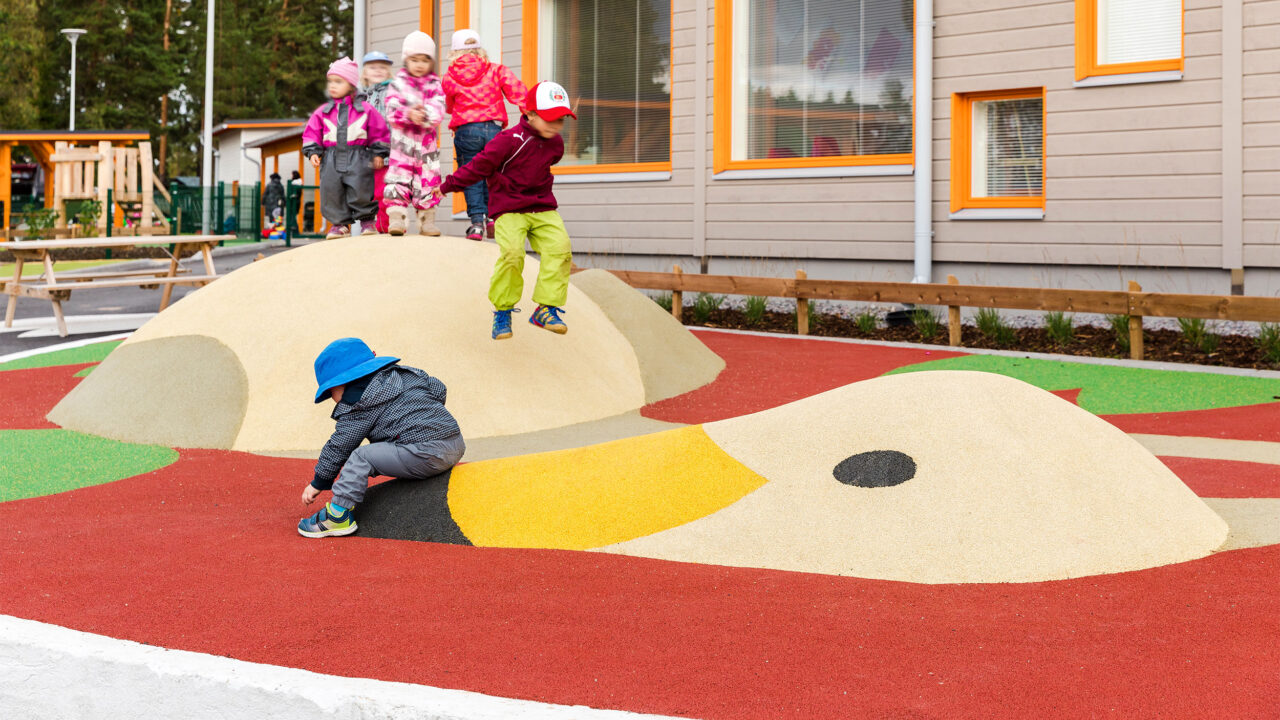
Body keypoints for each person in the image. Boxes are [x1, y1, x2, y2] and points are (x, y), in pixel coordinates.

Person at [435, 81, 576, 341]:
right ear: (530, 113)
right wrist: (447, 186)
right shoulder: (508, 140)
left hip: (542, 207)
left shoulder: (556, 144)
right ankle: (503, 310)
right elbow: (478, 167)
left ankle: (546, 308)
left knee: (561, 248)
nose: (556, 126)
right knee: (512, 254)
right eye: (550, 118)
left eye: (562, 120)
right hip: (509, 208)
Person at [299, 337, 466, 538]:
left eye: (330, 391)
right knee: (391, 446)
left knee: (362, 457)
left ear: (343, 382)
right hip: (456, 443)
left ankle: (338, 517)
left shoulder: (358, 404)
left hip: (426, 453)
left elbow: (339, 446)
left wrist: (319, 481)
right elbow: (438, 388)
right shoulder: (407, 374)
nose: (332, 398)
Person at [441, 29, 528, 241]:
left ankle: (477, 223)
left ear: (454, 53)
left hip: (466, 130)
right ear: (479, 49)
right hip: (494, 130)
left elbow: (449, 106)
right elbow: (518, 92)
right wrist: (530, 113)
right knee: (493, 174)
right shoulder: (496, 70)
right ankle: (493, 219)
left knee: (472, 175)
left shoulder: (450, 77)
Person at [301, 57, 391, 238]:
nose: (332, 86)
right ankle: (339, 224)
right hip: (330, 158)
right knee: (332, 191)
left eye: (338, 81)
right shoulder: (323, 111)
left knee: (362, 189)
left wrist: (379, 152)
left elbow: (379, 130)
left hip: (359, 157)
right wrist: (313, 152)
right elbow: (311, 132)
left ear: (351, 85)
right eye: (330, 81)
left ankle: (367, 222)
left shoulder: (365, 109)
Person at [383, 31, 446, 237]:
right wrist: (409, 114)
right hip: (403, 145)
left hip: (426, 145)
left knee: (428, 180)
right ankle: (397, 218)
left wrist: (425, 114)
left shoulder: (435, 85)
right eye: (414, 60)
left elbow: (439, 109)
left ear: (431, 62)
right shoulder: (398, 84)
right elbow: (391, 109)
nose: (419, 64)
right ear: (406, 60)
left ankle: (427, 221)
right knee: (398, 178)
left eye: (425, 60)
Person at [361, 50, 396, 233]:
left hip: (387, 153)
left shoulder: (390, 92)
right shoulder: (364, 96)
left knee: (386, 191)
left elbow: (388, 124)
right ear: (365, 73)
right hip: (368, 153)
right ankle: (377, 226)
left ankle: (388, 227)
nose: (377, 71)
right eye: (372, 67)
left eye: (382, 67)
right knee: (372, 192)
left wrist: (381, 150)